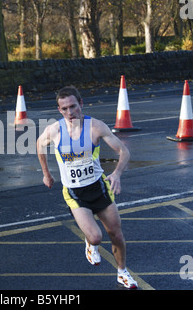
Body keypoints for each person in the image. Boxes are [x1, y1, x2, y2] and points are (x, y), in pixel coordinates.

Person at [36, 85, 137, 289]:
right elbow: (39, 145)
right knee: (96, 237)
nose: (70, 112)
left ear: (81, 104)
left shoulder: (96, 127)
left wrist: (117, 173)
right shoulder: (54, 130)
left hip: (98, 187)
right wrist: (46, 174)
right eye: (64, 109)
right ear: (59, 110)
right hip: (74, 193)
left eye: (73, 106)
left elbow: (123, 151)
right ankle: (90, 244)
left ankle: (122, 272)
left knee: (116, 234)